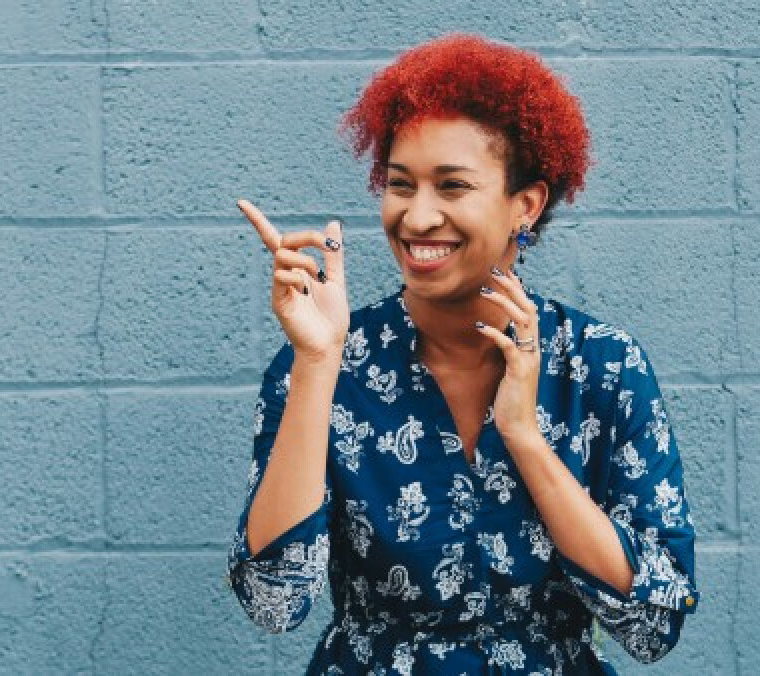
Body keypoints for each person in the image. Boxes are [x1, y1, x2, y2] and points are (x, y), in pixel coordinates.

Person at [226, 33, 700, 674]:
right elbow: (273, 602)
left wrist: (525, 438)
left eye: (452, 187)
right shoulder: (322, 363)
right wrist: (317, 362)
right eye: (400, 185)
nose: (417, 217)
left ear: (524, 206)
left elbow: (654, 624)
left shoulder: (602, 367)